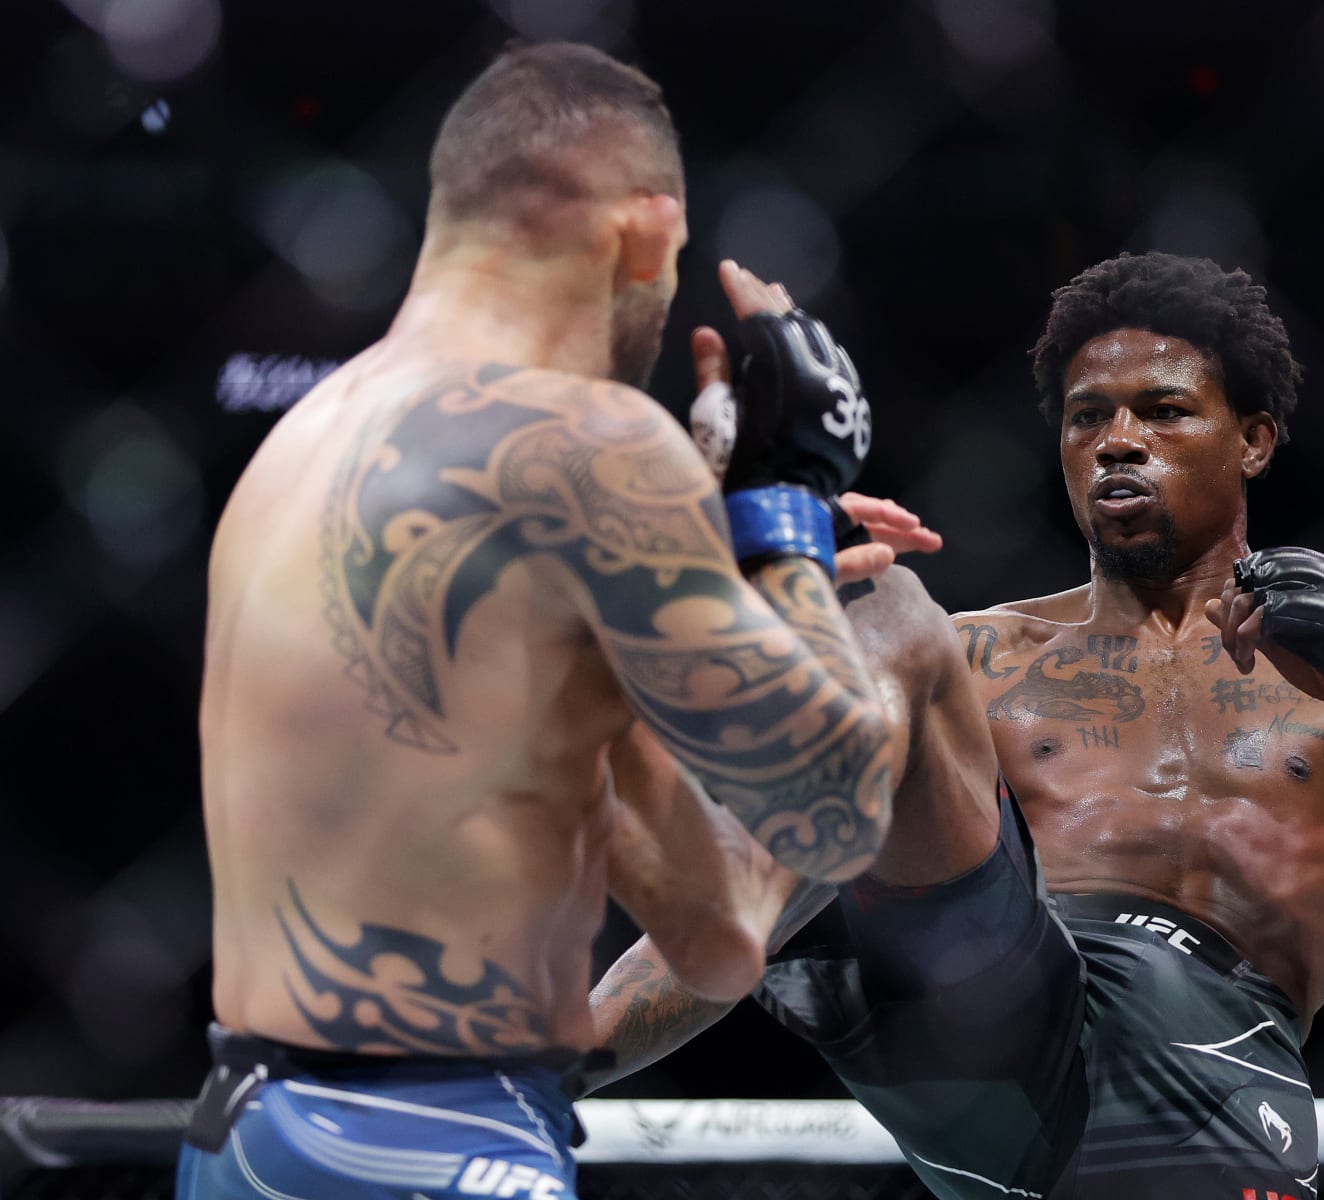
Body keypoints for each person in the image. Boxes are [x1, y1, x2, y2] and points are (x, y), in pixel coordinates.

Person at [587, 252, 1324, 1199]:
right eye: (1088, 417)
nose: (1119, 442)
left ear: (1256, 439)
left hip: (1208, 1051)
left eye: (1164, 411)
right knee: (889, 613)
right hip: (980, 992)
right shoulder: (981, 658)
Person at [181, 41, 902, 1200]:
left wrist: (710, 590)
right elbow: (839, 813)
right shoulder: (590, 444)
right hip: (431, 1141)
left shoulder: (298, 449)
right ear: (651, 232)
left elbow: (719, 934)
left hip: (255, 1136)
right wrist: (791, 501)